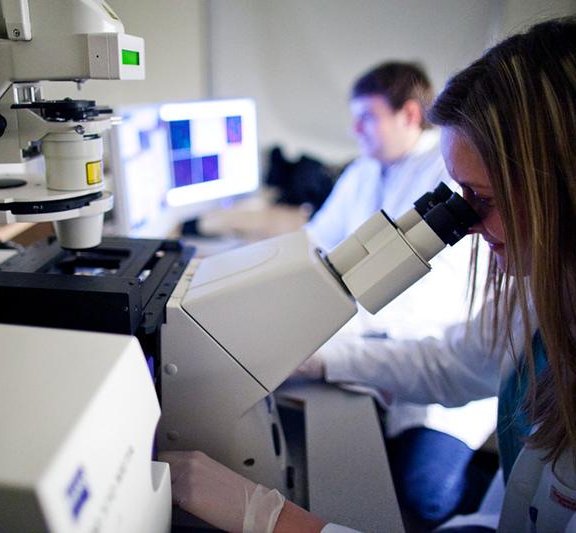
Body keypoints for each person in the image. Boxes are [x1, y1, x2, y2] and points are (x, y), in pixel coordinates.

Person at [160, 17, 576, 533]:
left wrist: (270, 520)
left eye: (483, 201)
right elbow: (451, 364)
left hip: (419, 389)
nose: (465, 227)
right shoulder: (545, 298)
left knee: (420, 491)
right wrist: (314, 357)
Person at [303, 61, 496, 527]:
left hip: (434, 353)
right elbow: (316, 242)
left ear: (409, 115)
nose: (356, 129)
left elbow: (423, 314)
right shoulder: (365, 169)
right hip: (386, 349)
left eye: (367, 117)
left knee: (422, 493)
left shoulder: (450, 170)